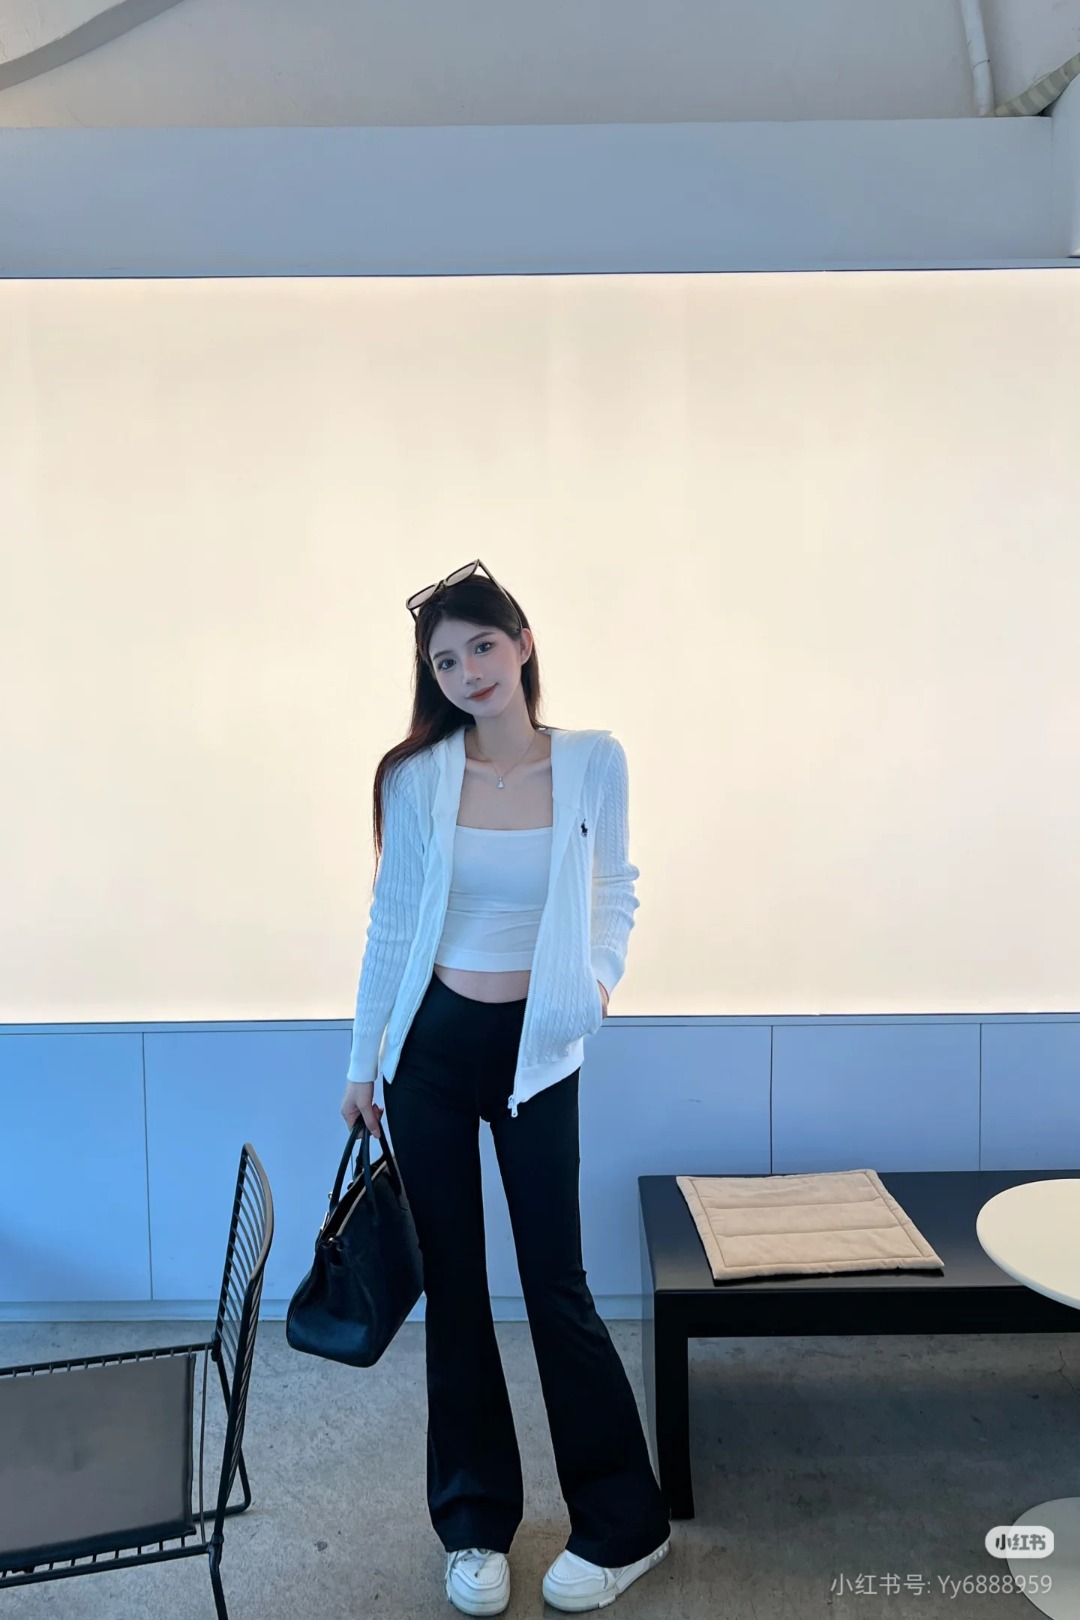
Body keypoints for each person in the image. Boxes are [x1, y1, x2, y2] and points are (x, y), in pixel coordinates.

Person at [340, 560, 670, 1616]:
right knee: (456, 1288)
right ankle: (475, 1524)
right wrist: (363, 1061)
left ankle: (625, 1525)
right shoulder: (418, 776)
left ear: (523, 643)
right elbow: (393, 919)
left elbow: (615, 886)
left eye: (482, 645)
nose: (468, 671)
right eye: (445, 661)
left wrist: (598, 985)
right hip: (432, 1052)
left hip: (540, 1052)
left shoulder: (594, 760)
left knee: (555, 1284)